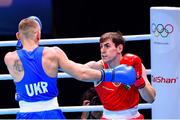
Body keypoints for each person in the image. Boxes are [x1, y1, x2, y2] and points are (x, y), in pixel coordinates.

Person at [4, 17, 137, 119]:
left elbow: (22, 51)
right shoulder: (53, 53)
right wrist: (113, 74)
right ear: (38, 35)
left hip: (25, 114)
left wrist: (21, 37)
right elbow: (81, 73)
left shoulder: (9, 58)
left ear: (18, 36)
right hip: (51, 114)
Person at [84, 32, 156, 119]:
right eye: (101, 46)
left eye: (107, 46)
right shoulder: (97, 67)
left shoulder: (134, 66)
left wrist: (138, 80)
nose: (103, 50)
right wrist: (63, 64)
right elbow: (78, 69)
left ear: (119, 48)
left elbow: (151, 98)